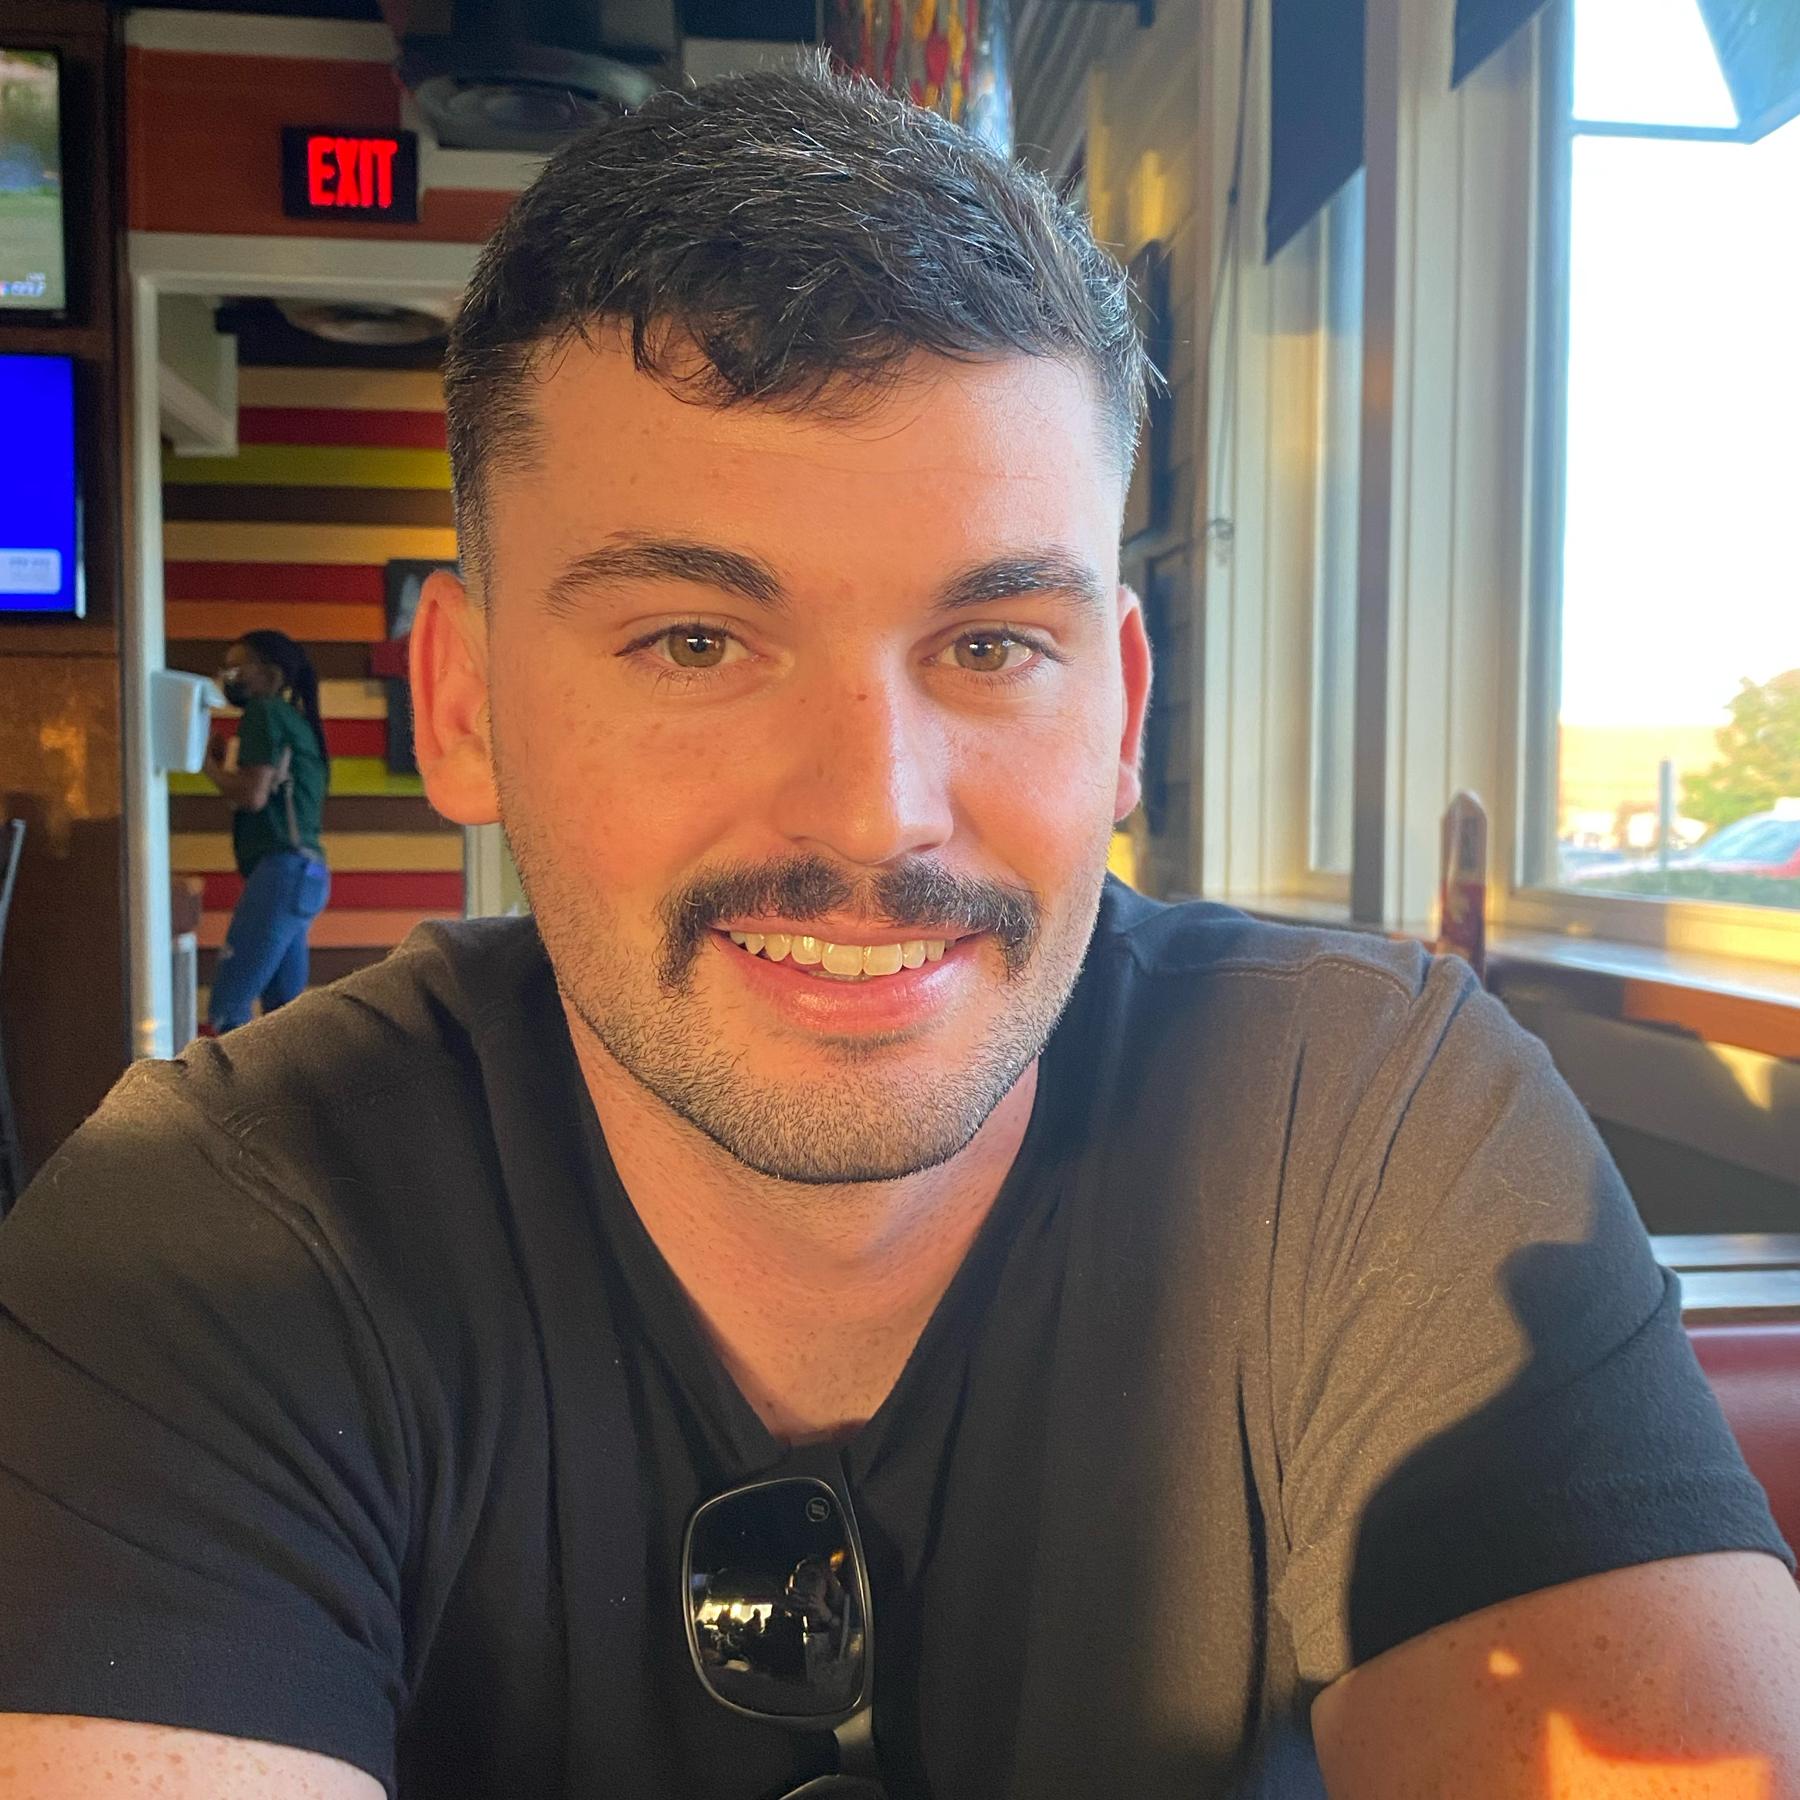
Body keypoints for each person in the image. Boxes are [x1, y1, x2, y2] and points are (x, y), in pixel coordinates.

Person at [1, 60, 1797, 1800]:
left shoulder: (1370, 1126)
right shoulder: (210, 1242)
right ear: (462, 703)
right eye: (696, 641)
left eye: (992, 644)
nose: (875, 812)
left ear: (1121, 707)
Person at [198, 629, 332, 1034]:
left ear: (271, 675)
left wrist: (207, 766)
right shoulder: (297, 722)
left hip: (282, 873)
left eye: (238, 668)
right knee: (283, 1018)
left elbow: (252, 795)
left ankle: (236, 1082)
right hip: (307, 874)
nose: (229, 677)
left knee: (228, 1010)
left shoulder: (264, 712)